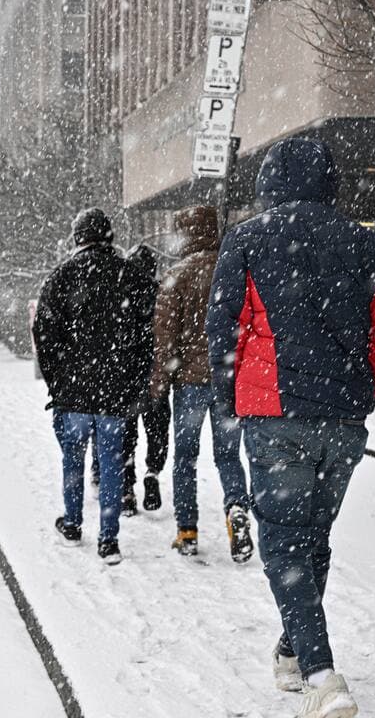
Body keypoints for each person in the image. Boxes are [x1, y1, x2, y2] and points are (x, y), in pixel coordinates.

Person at [206, 138, 375, 718]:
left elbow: (225, 334)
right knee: (311, 537)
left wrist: (234, 400)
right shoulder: (366, 242)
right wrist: (357, 399)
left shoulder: (246, 239)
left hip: (275, 417)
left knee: (285, 543)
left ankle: (321, 675)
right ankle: (294, 653)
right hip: (341, 422)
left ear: (269, 183)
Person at [34, 208, 149, 565]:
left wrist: (58, 381)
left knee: (73, 459)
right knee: (112, 463)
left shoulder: (61, 277)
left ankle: (72, 523)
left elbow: (44, 333)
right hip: (114, 391)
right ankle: (108, 538)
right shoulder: (129, 276)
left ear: (77, 239)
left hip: (74, 393)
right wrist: (134, 382)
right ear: (110, 237)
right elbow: (147, 337)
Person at [150, 205, 253, 563]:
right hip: (228, 378)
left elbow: (164, 337)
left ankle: (187, 530)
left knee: (186, 457)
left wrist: (159, 382)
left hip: (190, 381)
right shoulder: (234, 270)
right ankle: (237, 509)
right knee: (228, 456)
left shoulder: (176, 275)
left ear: (186, 235)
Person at [120, 243, 170, 514]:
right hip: (156, 374)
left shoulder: (120, 295)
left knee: (126, 434)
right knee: (157, 430)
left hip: (126, 377)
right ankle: (153, 471)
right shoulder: (161, 293)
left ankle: (126, 489)